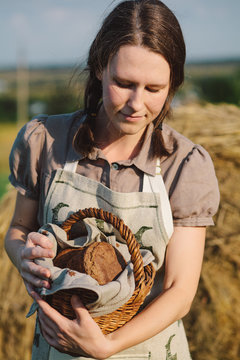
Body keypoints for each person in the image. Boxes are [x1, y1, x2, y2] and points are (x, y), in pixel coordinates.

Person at [4, 0, 220, 359]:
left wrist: (107, 346)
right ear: (99, 68)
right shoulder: (44, 140)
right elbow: (18, 230)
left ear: (173, 84)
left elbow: (180, 290)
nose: (137, 103)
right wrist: (24, 255)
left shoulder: (185, 164)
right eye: (124, 83)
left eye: (154, 89)